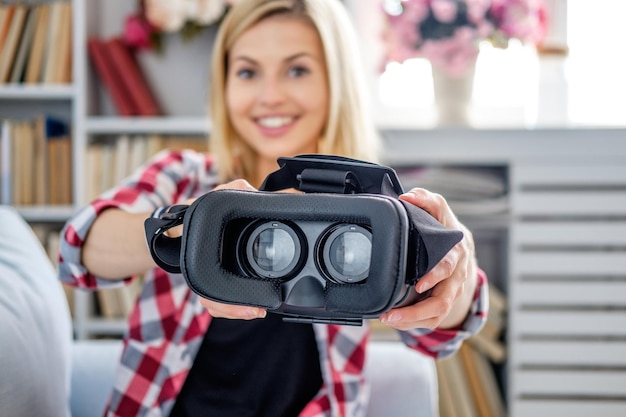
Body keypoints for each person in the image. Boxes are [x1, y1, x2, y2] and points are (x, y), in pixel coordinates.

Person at [59, 0, 489, 416]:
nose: (270, 96)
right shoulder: (184, 177)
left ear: (336, 81)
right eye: (247, 72)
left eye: (297, 69)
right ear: (224, 84)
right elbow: (78, 250)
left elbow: (439, 335)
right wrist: (199, 223)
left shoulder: (379, 214)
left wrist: (457, 265)